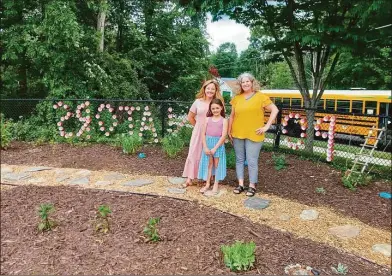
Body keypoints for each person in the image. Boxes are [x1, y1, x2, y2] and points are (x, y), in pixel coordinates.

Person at [228, 73, 279, 197]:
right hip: (237, 132)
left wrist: (267, 126)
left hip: (254, 133)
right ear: (240, 84)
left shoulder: (261, 97)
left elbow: (275, 110)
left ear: (252, 82)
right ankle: (240, 184)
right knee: (239, 160)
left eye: (247, 81)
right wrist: (229, 131)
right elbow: (232, 116)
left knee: (252, 160)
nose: (245, 84)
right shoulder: (237, 98)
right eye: (242, 82)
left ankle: (252, 185)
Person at [182, 80, 224, 187]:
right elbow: (190, 117)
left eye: (212, 89)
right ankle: (190, 178)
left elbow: (221, 118)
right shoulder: (197, 102)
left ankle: (207, 178)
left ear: (215, 91)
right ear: (204, 89)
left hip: (211, 134)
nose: (210, 90)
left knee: (208, 155)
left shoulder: (217, 102)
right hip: (198, 131)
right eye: (208, 88)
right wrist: (198, 127)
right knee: (193, 153)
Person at [198, 99, 228, 195]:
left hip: (217, 145)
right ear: (210, 109)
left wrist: (215, 148)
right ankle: (207, 184)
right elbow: (203, 134)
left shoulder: (224, 120)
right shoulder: (207, 119)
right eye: (213, 108)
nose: (215, 110)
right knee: (209, 164)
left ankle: (216, 184)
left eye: (217, 108)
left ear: (221, 108)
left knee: (217, 165)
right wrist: (205, 147)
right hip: (208, 143)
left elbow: (223, 136)